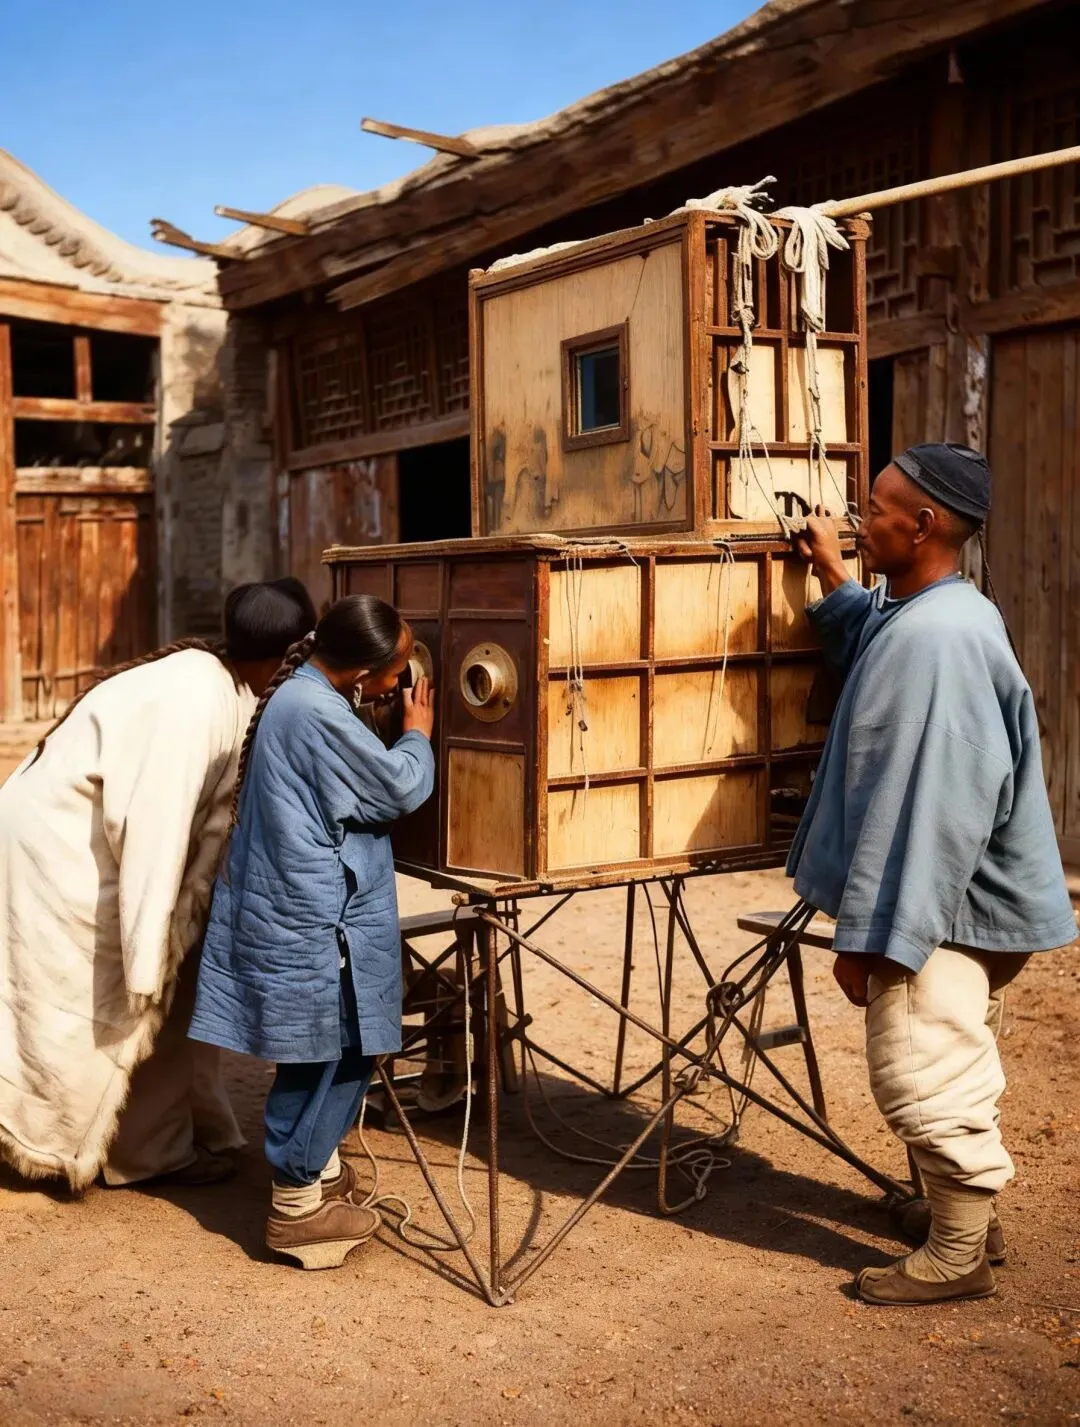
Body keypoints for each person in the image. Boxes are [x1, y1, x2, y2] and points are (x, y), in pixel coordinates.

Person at [791, 443, 1076, 1307]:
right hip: (962, 898)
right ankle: (964, 1219)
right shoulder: (936, 609)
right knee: (949, 1052)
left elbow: (927, 816)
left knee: (921, 1064)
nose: (857, 520)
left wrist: (876, 939)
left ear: (922, 526)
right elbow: (876, 635)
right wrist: (833, 574)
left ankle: (959, 1253)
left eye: (875, 509)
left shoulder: (939, 642)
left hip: (944, 902)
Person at [0, 578, 317, 1192]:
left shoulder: (215, 682)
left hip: (75, 843)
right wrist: (149, 951)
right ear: (289, 655)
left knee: (164, 993)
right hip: (63, 853)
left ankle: (157, 1142)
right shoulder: (194, 700)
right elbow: (156, 826)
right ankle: (110, 1149)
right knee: (84, 1010)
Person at [188, 595, 436, 1271]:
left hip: (296, 905)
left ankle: (315, 1172)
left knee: (318, 1044)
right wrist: (418, 733)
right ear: (364, 673)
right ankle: (296, 1207)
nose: (400, 684)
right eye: (396, 673)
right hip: (314, 913)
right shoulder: (316, 711)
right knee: (339, 1047)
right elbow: (397, 789)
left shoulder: (303, 695)